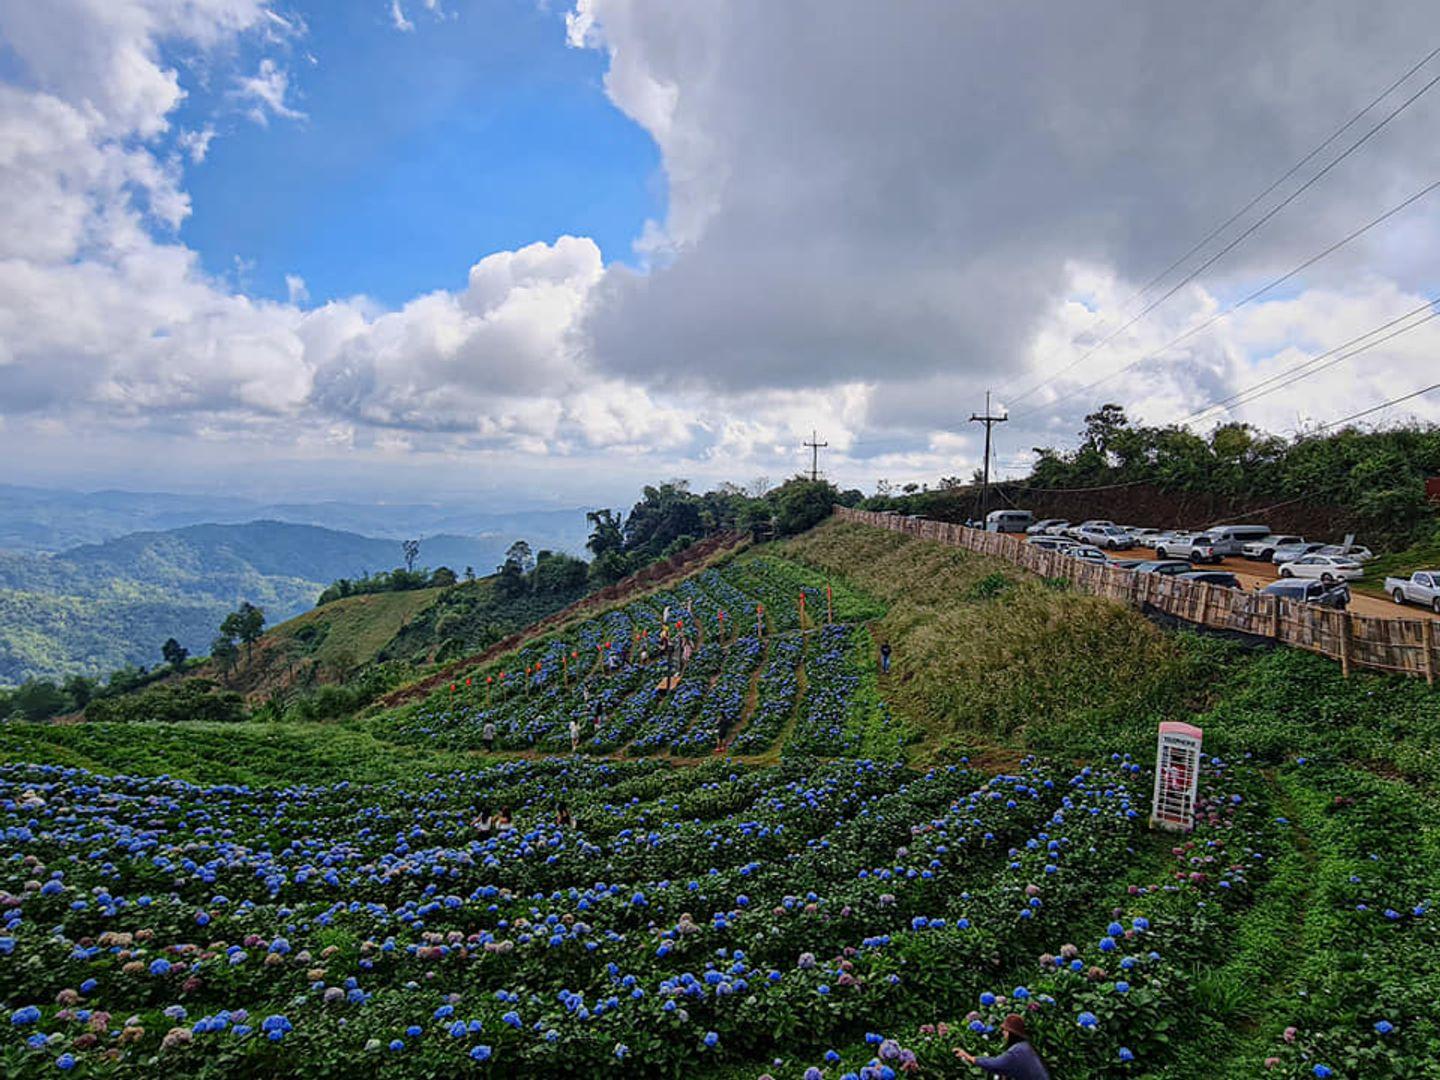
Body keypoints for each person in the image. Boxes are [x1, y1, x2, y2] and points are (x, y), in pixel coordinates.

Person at [954, 1014, 1049, 1079]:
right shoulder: (1025, 1046)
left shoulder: (1017, 1051)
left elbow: (995, 1064)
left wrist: (969, 1057)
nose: (1003, 1034)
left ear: (1012, 1033)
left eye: (1005, 1031)